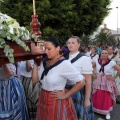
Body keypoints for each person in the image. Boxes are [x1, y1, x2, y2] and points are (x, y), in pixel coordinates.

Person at [32, 36, 85, 120]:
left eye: (49, 49)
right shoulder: (45, 62)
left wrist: (66, 95)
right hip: (42, 98)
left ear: (57, 48)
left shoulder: (64, 64)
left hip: (55, 100)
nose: (46, 51)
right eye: (45, 49)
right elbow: (35, 80)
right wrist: (35, 63)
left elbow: (81, 82)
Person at [64, 36, 94, 120]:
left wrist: (87, 99)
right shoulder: (63, 57)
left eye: (73, 43)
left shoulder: (84, 59)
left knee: (77, 116)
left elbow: (88, 81)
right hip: (64, 90)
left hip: (78, 92)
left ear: (78, 45)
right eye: (69, 43)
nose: (70, 45)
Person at [92, 49, 120, 120]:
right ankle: (97, 109)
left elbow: (119, 69)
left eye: (105, 53)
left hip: (107, 81)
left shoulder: (111, 62)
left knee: (106, 96)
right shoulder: (97, 61)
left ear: (107, 54)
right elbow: (89, 67)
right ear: (100, 54)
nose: (104, 54)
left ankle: (107, 112)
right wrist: (94, 74)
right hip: (98, 80)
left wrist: (114, 77)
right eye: (102, 53)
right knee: (97, 95)